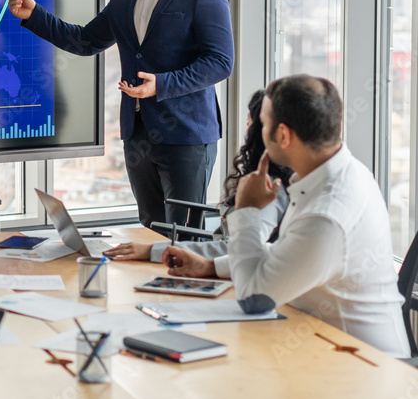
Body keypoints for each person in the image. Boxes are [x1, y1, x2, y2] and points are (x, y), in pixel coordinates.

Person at [6, 0, 234, 228]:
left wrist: (163, 84)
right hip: (137, 135)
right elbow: (85, 40)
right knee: (151, 233)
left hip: (186, 135)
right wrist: (35, 16)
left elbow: (220, 62)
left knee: (184, 238)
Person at [164, 75, 409, 357]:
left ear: (282, 135)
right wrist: (211, 266)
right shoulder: (336, 174)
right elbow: (287, 253)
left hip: (365, 366)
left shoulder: (328, 213)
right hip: (327, 348)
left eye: (263, 124)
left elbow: (255, 298)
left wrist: (246, 210)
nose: (257, 131)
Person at [105, 89, 293, 278]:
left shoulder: (270, 188)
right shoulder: (271, 180)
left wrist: (152, 251)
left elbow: (232, 251)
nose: (246, 126)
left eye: (251, 121)